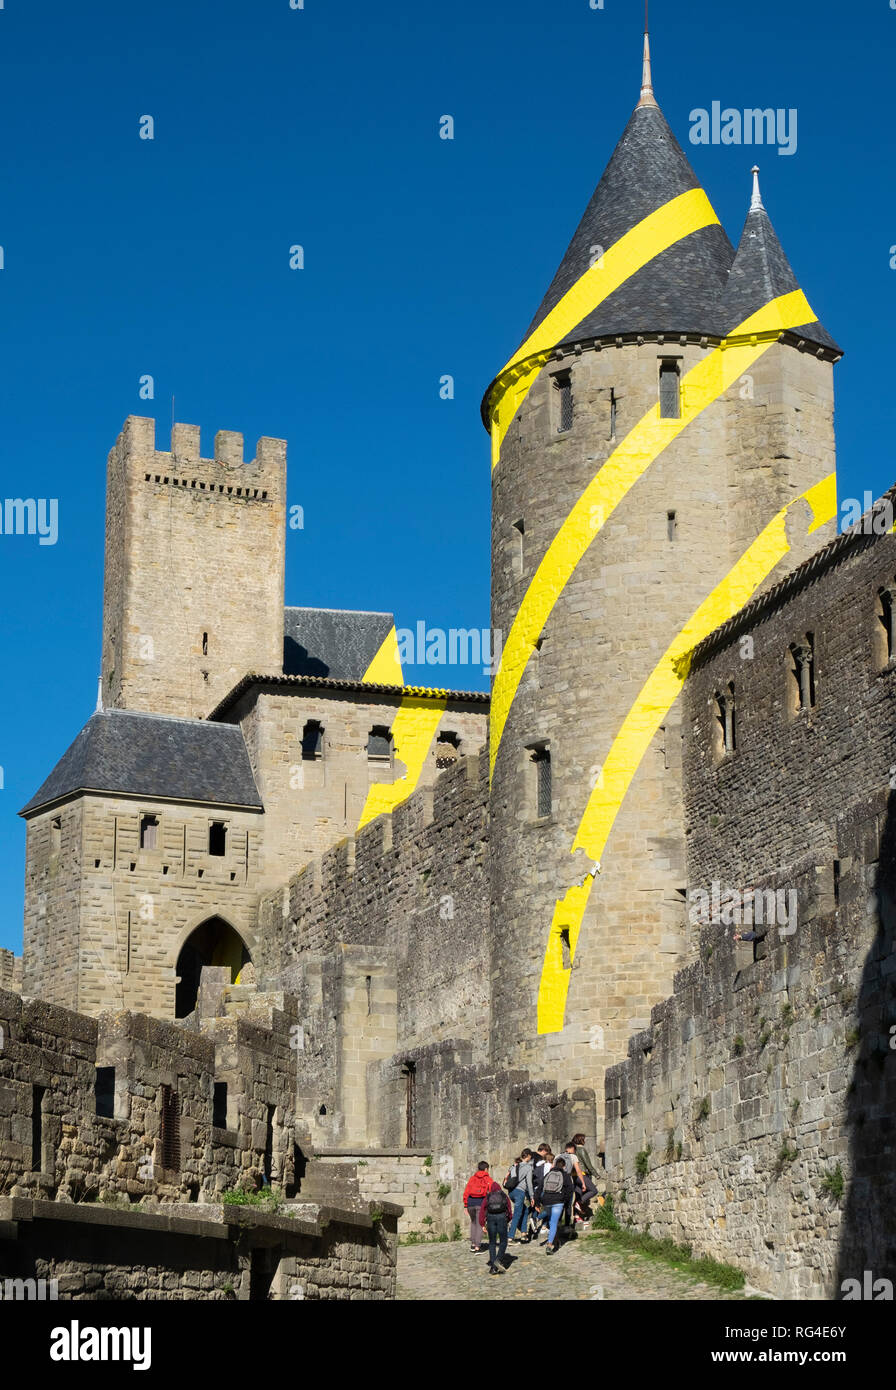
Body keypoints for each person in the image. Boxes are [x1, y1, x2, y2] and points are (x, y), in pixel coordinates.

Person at [478, 1175, 513, 1274]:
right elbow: (509, 1209)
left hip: (490, 1218)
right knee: (503, 1241)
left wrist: (482, 1224)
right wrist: (508, 1219)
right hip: (502, 1217)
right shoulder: (503, 1196)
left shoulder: (488, 1196)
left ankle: (493, 1266)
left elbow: (482, 1210)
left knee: (492, 1242)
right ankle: (498, 1260)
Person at [539, 1156, 573, 1253]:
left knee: (551, 1221)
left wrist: (538, 1201)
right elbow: (570, 1190)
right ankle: (550, 1245)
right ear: (564, 1166)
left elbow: (540, 1187)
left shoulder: (548, 1174)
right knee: (554, 1222)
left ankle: (555, 1240)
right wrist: (565, 1201)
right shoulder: (565, 1175)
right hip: (558, 1201)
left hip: (547, 1201)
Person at [506, 1148, 535, 1243]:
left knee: (525, 1210)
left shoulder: (514, 1166)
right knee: (517, 1214)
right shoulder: (528, 1168)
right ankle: (510, 1237)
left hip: (511, 1192)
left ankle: (523, 1233)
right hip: (519, 1192)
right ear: (528, 1156)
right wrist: (531, 1196)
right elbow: (529, 1183)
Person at [462, 1161, 493, 1252]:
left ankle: (473, 1243)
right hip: (481, 1202)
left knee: (473, 1222)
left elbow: (466, 1192)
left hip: (470, 1202)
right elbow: (491, 1191)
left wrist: (465, 1205)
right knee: (480, 1224)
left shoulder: (472, 1178)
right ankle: (477, 1246)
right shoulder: (488, 1179)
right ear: (486, 1169)